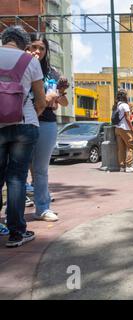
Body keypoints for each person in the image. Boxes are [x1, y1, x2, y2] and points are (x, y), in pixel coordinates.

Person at [0, 26, 46, 247]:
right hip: (24, 124)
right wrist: (32, 115)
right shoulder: (30, 61)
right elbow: (41, 100)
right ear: (23, 44)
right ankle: (16, 232)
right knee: (17, 178)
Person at [29, 33, 69, 222]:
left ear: (46, 51)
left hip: (47, 122)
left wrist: (58, 93)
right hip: (23, 121)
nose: (37, 51)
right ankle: (13, 212)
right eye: (33, 47)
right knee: (16, 169)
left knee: (41, 169)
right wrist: (50, 97)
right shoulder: (21, 67)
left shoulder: (52, 72)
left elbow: (64, 102)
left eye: (41, 48)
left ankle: (43, 208)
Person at [114, 89, 133, 173]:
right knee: (131, 146)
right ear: (125, 96)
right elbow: (128, 118)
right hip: (125, 128)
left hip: (117, 128)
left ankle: (122, 166)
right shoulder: (125, 105)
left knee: (121, 148)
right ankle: (128, 166)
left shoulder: (116, 105)